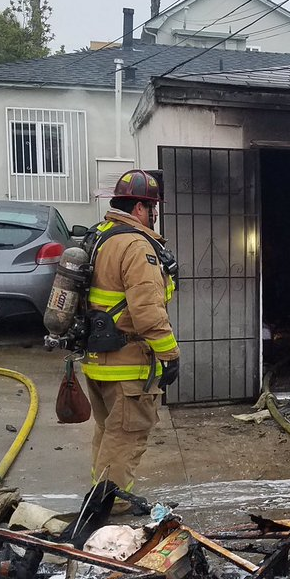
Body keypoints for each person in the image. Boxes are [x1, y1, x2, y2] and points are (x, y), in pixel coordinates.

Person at [81, 169, 179, 509]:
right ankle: (110, 508)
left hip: (98, 363)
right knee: (125, 438)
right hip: (127, 366)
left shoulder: (100, 235)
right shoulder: (137, 246)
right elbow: (148, 310)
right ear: (139, 207)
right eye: (152, 208)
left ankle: (100, 496)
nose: (154, 215)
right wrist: (170, 355)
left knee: (108, 433)